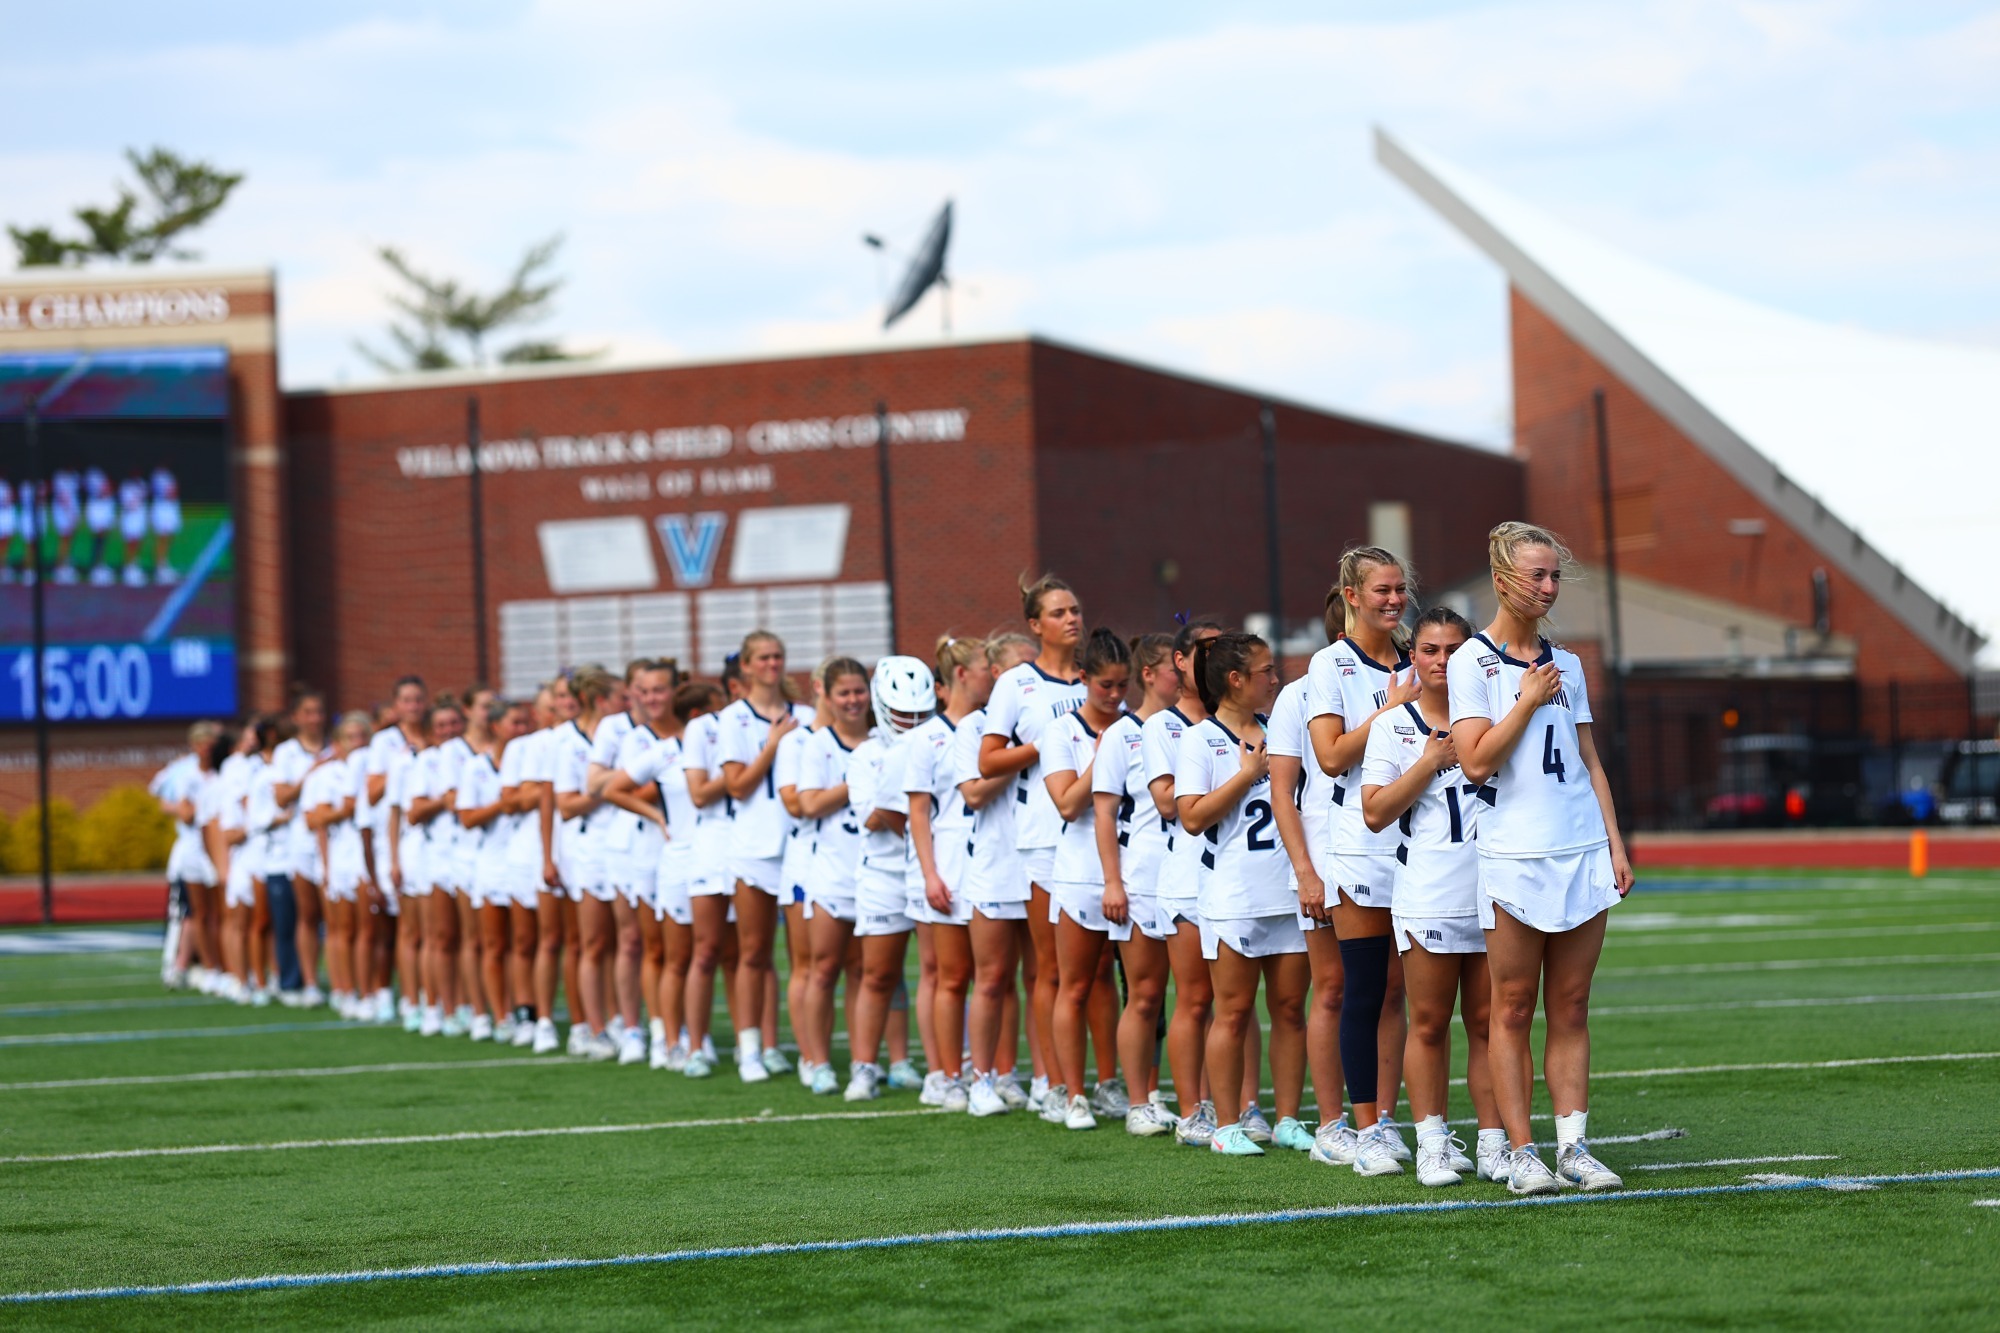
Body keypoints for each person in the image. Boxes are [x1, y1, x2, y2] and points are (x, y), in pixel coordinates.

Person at [1450, 521, 1633, 1195]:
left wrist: (1614, 842)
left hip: (1579, 847)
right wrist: (1526, 701)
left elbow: (1588, 760)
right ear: (1503, 582)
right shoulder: (1471, 662)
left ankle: (1574, 1147)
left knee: (1573, 1004)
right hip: (1514, 854)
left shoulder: (1570, 664)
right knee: (1512, 1004)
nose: (1550, 586)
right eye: (1538, 575)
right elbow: (1474, 761)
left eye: (1555, 575)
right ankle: (1523, 1153)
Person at [1360, 605, 1505, 1186]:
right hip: (1430, 891)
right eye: (1429, 650)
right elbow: (1374, 812)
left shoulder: (1496, 714)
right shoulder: (1392, 725)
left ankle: (1493, 1143)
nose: (1442, 661)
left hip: (1495, 887)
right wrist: (1428, 763)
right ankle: (1432, 1142)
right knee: (1428, 1022)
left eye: (1453, 650)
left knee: (1490, 1023)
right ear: (1413, 656)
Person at [1307, 546, 1420, 1175]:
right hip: (1359, 840)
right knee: (1364, 986)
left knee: (1400, 990)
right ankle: (1365, 1127)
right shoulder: (1331, 664)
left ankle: (1389, 1118)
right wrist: (1390, 710)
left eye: (1400, 588)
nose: (1395, 600)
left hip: (1420, 840)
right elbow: (1330, 756)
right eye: (1382, 590)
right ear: (1352, 595)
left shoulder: (1417, 656)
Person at [1177, 632, 1310, 1157]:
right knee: (1232, 1012)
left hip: (1288, 890)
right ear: (1236, 680)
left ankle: (1287, 1119)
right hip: (1233, 895)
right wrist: (1247, 776)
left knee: (1290, 1010)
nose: (1275, 679)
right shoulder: (1200, 739)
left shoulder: (1281, 729)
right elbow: (1191, 816)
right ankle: (1227, 1124)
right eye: (1265, 671)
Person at [978, 575, 1093, 1115]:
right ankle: (1051, 1081)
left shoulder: (1094, 676)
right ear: (1035, 624)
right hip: (1044, 836)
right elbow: (988, 760)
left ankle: (1097, 1080)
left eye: (1074, 610)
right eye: (1058, 612)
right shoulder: (1017, 683)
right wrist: (1045, 744)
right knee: (1051, 968)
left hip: (1098, 833)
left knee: (1094, 971)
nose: (1071, 619)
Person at [1042, 628, 1136, 1130]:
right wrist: (1103, 758)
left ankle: (1107, 1083)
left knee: (1108, 978)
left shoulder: (1134, 724)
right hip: (1081, 872)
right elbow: (1066, 804)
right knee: (1074, 983)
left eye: (1122, 685)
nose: (1115, 695)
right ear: (1083, 678)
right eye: (1105, 685)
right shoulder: (1062, 731)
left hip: (1129, 868)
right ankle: (1072, 1093)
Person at [1269, 597, 1353, 1165]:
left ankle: (1382, 1120)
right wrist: (1305, 872)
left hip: (1394, 855)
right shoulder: (1298, 694)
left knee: (1390, 992)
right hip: (1327, 855)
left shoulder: (1406, 677)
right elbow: (1283, 790)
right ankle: (1330, 1123)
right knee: (1333, 988)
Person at [717, 631, 817, 1082]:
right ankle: (750, 1047)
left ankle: (796, 1050)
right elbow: (737, 786)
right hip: (754, 848)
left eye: (777, 656)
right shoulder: (733, 719)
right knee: (753, 952)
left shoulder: (806, 716)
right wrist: (772, 746)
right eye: (763, 658)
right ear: (746, 666)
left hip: (800, 847)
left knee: (803, 959)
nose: (772, 664)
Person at [1093, 633, 1181, 1136]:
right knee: (1144, 994)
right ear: (1148, 674)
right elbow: (1105, 813)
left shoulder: (1193, 727)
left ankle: (1184, 1098)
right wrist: (1113, 882)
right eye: (1174, 668)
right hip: (1142, 876)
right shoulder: (1122, 733)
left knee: (1193, 997)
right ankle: (1137, 1102)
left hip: (1188, 875)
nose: (1183, 676)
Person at [842, 657, 938, 1101]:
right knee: (878, 974)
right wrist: (901, 782)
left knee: (942, 974)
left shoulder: (939, 742)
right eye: (902, 714)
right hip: (884, 874)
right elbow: (873, 817)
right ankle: (864, 1066)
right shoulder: (866, 755)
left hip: (934, 872)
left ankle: (944, 1069)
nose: (912, 724)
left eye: (919, 714)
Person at [953, 633, 1040, 1111]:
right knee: (991, 978)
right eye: (1019, 669)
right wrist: (1027, 752)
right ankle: (981, 1080)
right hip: (994, 863)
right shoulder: (975, 726)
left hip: (1040, 859)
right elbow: (973, 792)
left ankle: (1037, 1078)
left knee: (1041, 978)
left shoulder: (1051, 720)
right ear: (998, 675)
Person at [908, 635, 989, 1114]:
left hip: (990, 861)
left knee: (993, 977)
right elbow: (919, 813)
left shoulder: (993, 727)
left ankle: (991, 1073)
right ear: (961, 674)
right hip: (949, 864)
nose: (992, 676)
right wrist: (930, 875)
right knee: (951, 976)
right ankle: (946, 1074)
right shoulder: (927, 737)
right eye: (984, 667)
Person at [603, 668, 697, 1069]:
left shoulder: (697, 732)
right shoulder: (636, 738)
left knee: (691, 948)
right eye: (644, 691)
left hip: (688, 846)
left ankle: (688, 1030)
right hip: (644, 847)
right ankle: (653, 1031)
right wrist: (657, 811)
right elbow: (630, 788)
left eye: (660, 690)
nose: (652, 698)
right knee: (651, 945)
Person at [796, 659, 874, 1094]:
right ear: (826, 695)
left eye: (859, 691)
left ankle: (866, 1063)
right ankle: (818, 1061)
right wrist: (857, 779)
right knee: (823, 969)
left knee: (866, 971)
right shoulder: (818, 743)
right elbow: (809, 804)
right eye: (843, 692)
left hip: (875, 871)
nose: (853, 700)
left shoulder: (882, 739)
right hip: (830, 871)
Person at [554, 666, 622, 1059]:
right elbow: (565, 805)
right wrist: (609, 790)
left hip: (624, 844)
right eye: (619, 697)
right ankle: (591, 1027)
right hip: (588, 849)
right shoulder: (567, 741)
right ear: (598, 699)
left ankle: (619, 1020)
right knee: (591, 942)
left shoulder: (623, 733)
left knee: (623, 941)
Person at [679, 678, 736, 1078]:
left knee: (749, 955)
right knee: (706, 950)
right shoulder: (703, 728)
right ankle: (695, 1046)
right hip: (711, 847)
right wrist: (746, 770)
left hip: (755, 845)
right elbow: (699, 794)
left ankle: (753, 1046)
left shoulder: (785, 721)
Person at [457, 695, 518, 1041]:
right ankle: (494, 1014)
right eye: (514, 723)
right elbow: (467, 817)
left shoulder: (529, 764)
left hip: (523, 861)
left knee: (522, 943)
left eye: (525, 723)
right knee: (492, 943)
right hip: (491, 862)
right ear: (496, 727)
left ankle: (522, 1010)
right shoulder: (476, 767)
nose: (521, 729)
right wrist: (502, 804)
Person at [307, 711, 373, 1020]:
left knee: (368, 928)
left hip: (369, 853)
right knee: (342, 928)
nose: (357, 743)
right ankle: (343, 989)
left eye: (362, 736)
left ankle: (368, 990)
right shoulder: (326, 775)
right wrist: (327, 867)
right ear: (338, 742)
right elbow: (316, 820)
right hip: (339, 855)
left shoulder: (373, 769)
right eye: (350, 737)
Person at [270, 689, 332, 1007]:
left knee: (336, 917)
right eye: (308, 712)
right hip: (301, 842)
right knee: (307, 915)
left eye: (319, 711)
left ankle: (342, 983)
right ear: (296, 717)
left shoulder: (335, 748)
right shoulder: (287, 753)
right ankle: (310, 982)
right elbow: (281, 797)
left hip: (335, 840)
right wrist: (310, 775)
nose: (315, 718)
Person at [152, 720, 220, 991]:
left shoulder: (221, 769)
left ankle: (203, 965)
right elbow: (166, 801)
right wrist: (197, 808)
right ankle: (175, 965)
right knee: (188, 911)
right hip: (192, 850)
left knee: (213, 912)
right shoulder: (183, 770)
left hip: (217, 849)